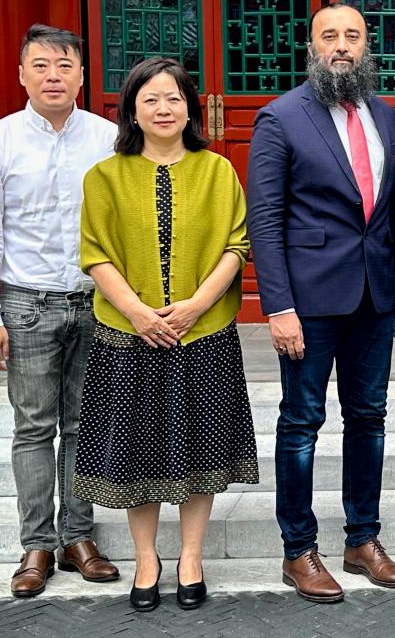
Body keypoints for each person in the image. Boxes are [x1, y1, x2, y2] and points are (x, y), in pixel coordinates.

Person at [73, 57, 258, 613]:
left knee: (201, 447)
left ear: (189, 108)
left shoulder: (217, 171)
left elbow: (237, 245)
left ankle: (191, 558)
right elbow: (95, 254)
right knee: (139, 452)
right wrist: (139, 314)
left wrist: (195, 306)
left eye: (173, 98)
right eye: (150, 99)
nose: (162, 108)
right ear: (132, 110)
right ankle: (147, 559)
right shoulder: (104, 177)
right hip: (128, 336)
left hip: (203, 335)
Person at [246, 3, 395, 603]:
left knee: (369, 417)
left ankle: (362, 539)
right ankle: (298, 549)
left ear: (367, 46)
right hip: (309, 301)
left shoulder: (384, 115)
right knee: (301, 422)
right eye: (329, 36)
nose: (341, 45)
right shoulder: (281, 117)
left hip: (375, 295)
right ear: (311, 46)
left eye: (353, 36)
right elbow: (265, 220)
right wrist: (278, 306)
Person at [0, 23, 120, 598]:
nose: (53, 76)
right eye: (41, 66)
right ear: (22, 74)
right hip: (26, 303)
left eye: (64, 66)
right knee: (33, 427)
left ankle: (78, 537)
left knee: (83, 423)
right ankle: (36, 544)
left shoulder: (108, 138)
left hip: (94, 300)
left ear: (82, 75)